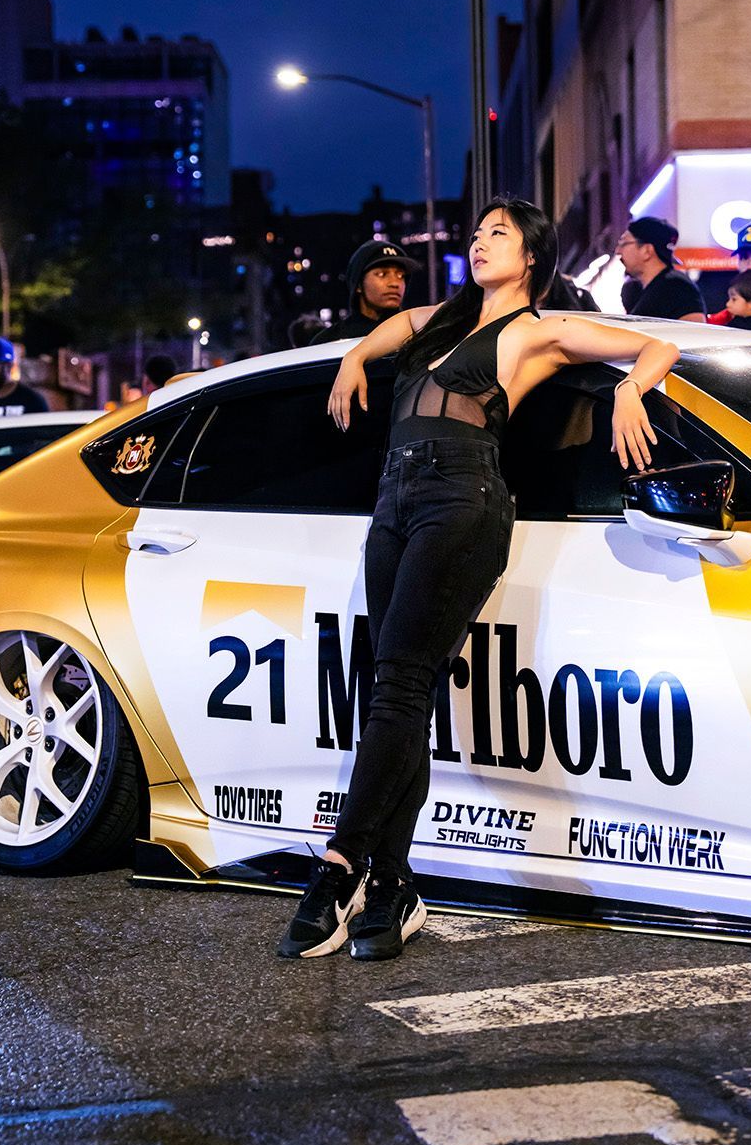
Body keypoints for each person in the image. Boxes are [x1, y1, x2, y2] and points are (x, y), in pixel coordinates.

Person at [276, 197, 680, 964]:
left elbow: (655, 348)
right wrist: (352, 359)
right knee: (402, 690)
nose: (480, 240)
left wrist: (630, 387)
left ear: (531, 256)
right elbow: (385, 332)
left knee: (397, 683)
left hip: (464, 497)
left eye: (499, 232)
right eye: (477, 231)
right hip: (393, 501)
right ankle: (392, 886)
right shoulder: (436, 319)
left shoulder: (537, 330)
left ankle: (336, 870)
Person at [310, 240, 419, 343]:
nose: (395, 283)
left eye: (401, 276)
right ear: (358, 285)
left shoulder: (418, 335)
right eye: (382, 274)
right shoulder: (329, 341)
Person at [615, 218, 704, 322]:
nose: (618, 251)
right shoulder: (634, 291)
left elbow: (694, 332)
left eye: (623, 243)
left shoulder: (677, 287)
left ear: (646, 250)